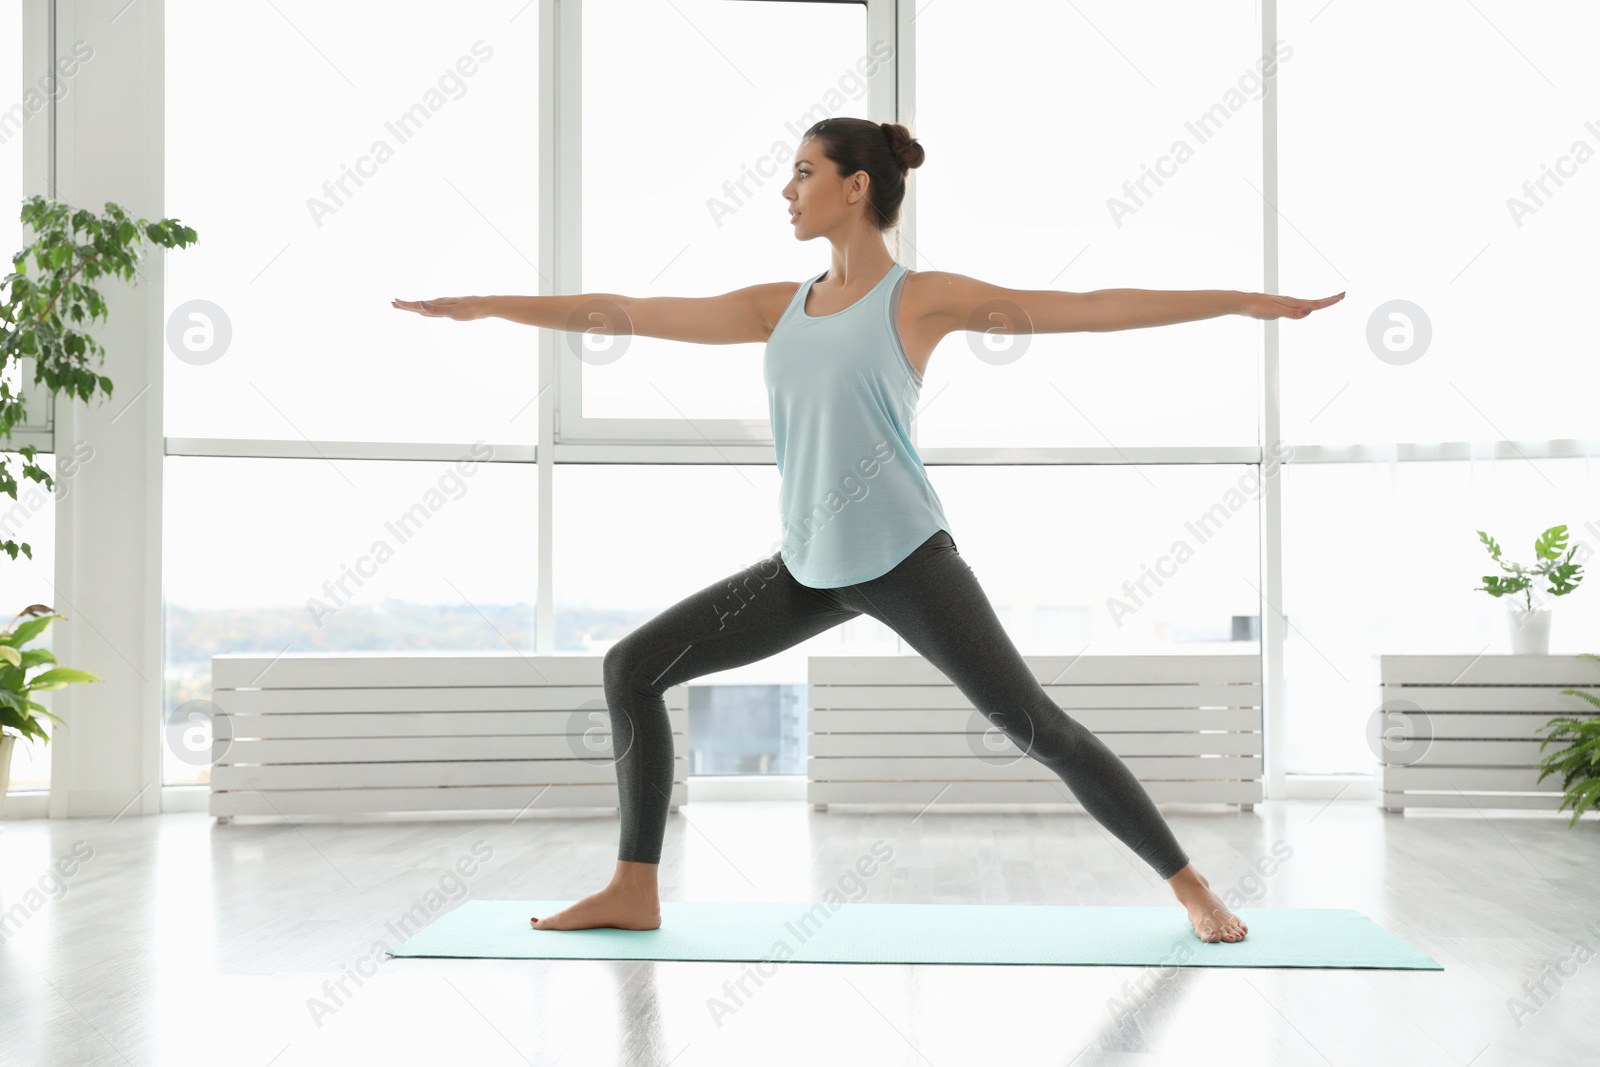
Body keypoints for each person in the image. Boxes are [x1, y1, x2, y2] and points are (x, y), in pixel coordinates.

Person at [393, 117, 1343, 943]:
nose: (786, 189)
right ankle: (633, 887)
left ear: (857, 187)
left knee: (1039, 729)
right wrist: (488, 306)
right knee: (631, 668)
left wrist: (1245, 301)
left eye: (804, 172)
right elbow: (624, 312)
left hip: (905, 560)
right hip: (807, 567)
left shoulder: (917, 298)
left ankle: (1191, 885)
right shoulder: (780, 306)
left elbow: (1089, 312)